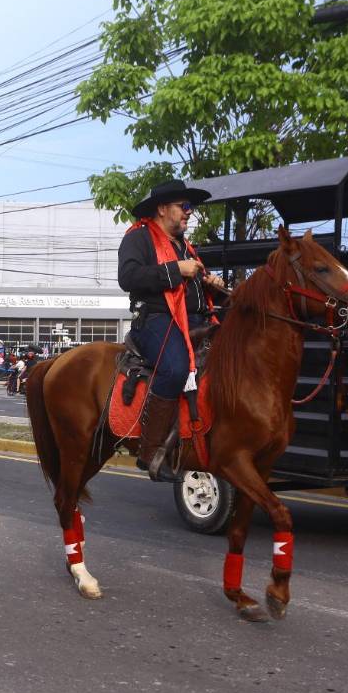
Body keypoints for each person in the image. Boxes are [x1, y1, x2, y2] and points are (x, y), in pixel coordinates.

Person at [117, 179, 224, 482]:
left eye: (190, 207)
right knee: (176, 368)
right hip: (154, 319)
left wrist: (209, 283)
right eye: (184, 206)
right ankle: (150, 452)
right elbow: (128, 276)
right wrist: (178, 270)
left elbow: (192, 287)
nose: (189, 213)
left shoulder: (186, 246)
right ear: (162, 209)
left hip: (194, 320)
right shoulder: (138, 237)